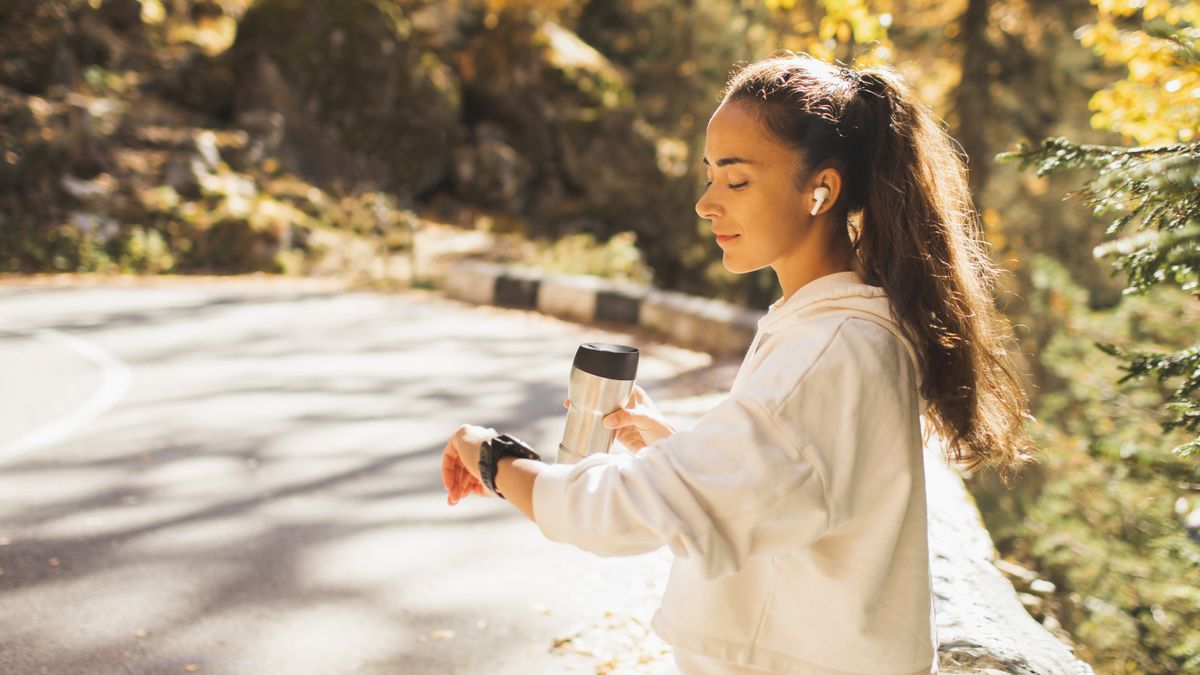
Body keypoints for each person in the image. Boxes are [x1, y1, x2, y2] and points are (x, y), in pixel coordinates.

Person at [440, 52, 1035, 674]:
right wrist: (680, 449)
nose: (706, 203)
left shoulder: (832, 350)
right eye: (710, 176)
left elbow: (616, 514)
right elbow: (800, 486)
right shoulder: (832, 324)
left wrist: (492, 458)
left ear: (821, 190)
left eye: (737, 179)